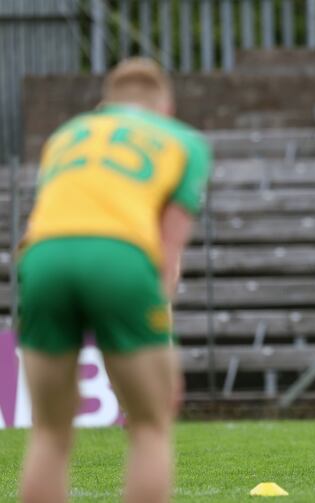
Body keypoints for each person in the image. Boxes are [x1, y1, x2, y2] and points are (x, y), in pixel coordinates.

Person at [17, 58, 211, 503]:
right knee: (149, 425)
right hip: (120, 255)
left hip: (43, 257)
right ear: (166, 107)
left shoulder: (66, 135)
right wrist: (161, 338)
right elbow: (168, 252)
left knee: (48, 431)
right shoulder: (183, 141)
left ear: (104, 106)